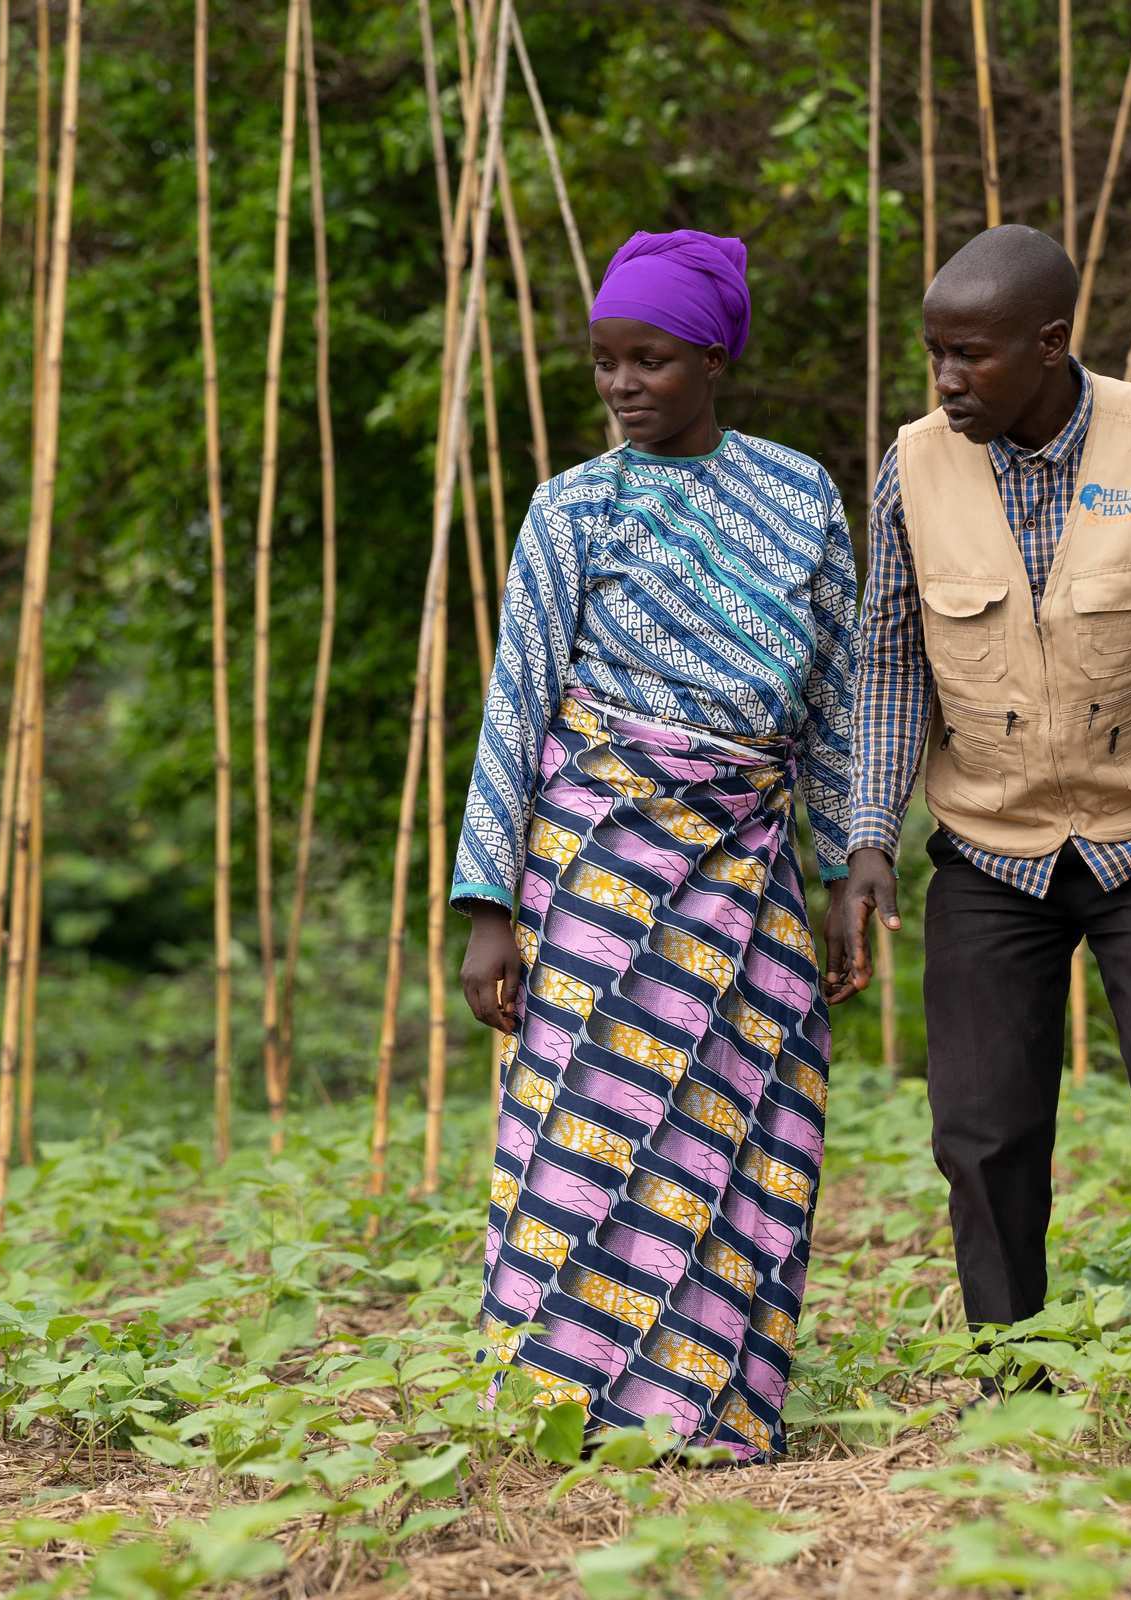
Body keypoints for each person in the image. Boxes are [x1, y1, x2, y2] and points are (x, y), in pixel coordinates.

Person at [824, 224, 1131, 1370]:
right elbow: (889, 660)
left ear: (1051, 343)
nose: (948, 380)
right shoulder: (914, 460)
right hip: (989, 845)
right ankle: (1009, 1377)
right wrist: (870, 836)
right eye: (935, 354)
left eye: (971, 354)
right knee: (982, 1135)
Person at [452, 229, 858, 1462]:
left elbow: (839, 694)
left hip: (750, 861)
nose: (624, 384)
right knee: (591, 1119)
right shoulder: (574, 506)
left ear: (716, 358)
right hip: (596, 865)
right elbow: (516, 701)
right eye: (605, 362)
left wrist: (844, 869)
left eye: (653, 359)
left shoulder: (799, 495)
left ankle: (716, 1409)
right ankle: (561, 1405)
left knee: (747, 1114)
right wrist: (487, 907)